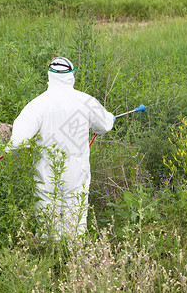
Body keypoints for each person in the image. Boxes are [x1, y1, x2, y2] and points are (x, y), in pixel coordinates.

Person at [6, 57, 114, 238]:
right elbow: (104, 126)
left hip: (46, 174)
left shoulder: (37, 105)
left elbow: (17, 141)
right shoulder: (86, 101)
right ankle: (74, 259)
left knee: (47, 221)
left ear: (49, 75)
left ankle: (50, 259)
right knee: (76, 220)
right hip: (76, 174)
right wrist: (110, 118)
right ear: (72, 76)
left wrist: (8, 151)